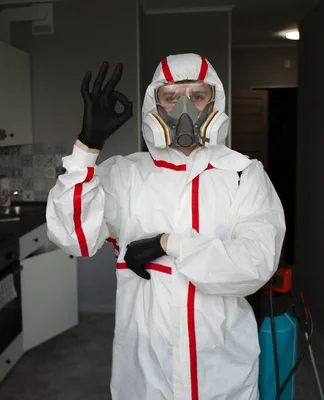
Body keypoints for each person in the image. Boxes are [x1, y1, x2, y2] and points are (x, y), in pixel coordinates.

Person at [46, 53, 286, 400]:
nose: (185, 109)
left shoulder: (242, 175)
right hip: (145, 371)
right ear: (154, 106)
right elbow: (74, 238)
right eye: (172, 97)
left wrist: (168, 244)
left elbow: (254, 265)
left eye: (198, 96)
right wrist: (87, 147)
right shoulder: (125, 175)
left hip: (221, 370)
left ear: (215, 101)